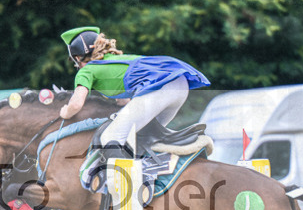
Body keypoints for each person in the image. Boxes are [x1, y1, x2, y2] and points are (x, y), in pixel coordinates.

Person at [58, 25, 210, 171]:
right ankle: (151, 174)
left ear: (77, 58)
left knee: (111, 137)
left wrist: (65, 112)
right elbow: (126, 100)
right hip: (180, 85)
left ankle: (127, 193)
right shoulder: (118, 59)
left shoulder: (87, 70)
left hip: (160, 89)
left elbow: (76, 104)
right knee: (141, 135)